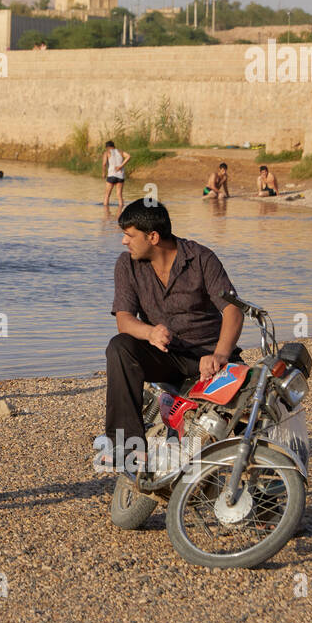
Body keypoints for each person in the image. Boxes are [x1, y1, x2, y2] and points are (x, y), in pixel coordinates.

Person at [102, 200, 244, 471]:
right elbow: (124, 320)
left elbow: (233, 310)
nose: (123, 241)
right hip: (166, 357)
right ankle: (127, 447)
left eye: (130, 235)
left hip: (209, 359)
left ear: (153, 237)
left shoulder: (202, 258)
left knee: (250, 417)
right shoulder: (127, 265)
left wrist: (219, 355)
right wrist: (150, 332)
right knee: (119, 347)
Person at [102, 140, 131, 206]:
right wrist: (120, 166)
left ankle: (106, 213)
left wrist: (104, 173)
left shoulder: (107, 152)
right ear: (114, 146)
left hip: (111, 175)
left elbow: (104, 164)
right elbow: (128, 156)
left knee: (107, 195)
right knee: (119, 195)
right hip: (120, 176)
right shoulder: (120, 152)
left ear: (107, 147)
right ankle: (120, 212)